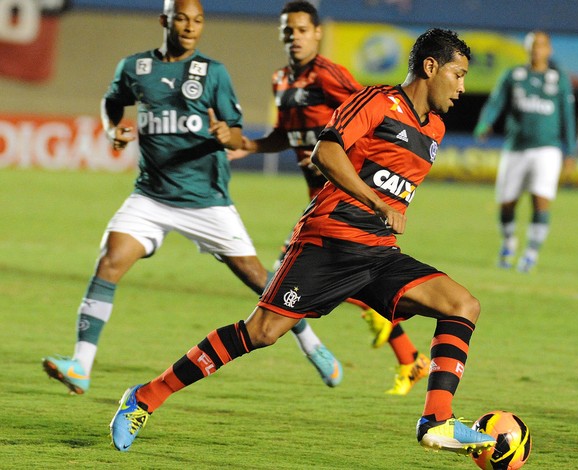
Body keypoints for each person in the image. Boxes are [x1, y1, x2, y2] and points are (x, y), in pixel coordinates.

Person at [110, 27, 497, 456]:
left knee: (463, 305)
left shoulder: (437, 129)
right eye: (458, 74)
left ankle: (436, 420)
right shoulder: (376, 102)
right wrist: (374, 201)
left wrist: (382, 213)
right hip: (327, 242)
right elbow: (326, 153)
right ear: (430, 67)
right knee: (261, 333)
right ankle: (144, 397)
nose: (462, 87)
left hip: (378, 253)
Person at [41, 0, 341, 396]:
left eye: (197, 21)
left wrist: (226, 136)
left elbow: (236, 133)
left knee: (257, 278)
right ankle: (81, 364)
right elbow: (112, 102)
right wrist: (113, 128)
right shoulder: (135, 68)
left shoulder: (213, 73)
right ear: (165, 20)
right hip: (151, 196)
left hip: (206, 201)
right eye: (181, 19)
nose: (190, 27)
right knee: (110, 261)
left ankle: (312, 344)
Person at [228, 0, 429, 395]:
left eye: (302, 30)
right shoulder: (282, 81)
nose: (295, 37)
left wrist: (336, 150)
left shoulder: (329, 75)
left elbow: (376, 119)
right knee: (322, 282)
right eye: (288, 31)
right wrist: (247, 146)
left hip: (347, 201)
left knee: (289, 280)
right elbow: (283, 135)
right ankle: (407, 357)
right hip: (318, 202)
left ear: (317, 33)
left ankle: (323, 350)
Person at [474, 31, 577, 273]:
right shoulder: (514, 75)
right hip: (516, 148)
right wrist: (485, 122)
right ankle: (509, 242)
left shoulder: (559, 79)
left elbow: (567, 117)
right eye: (533, 45)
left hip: (547, 149)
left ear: (549, 49)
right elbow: (495, 102)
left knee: (540, 201)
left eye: (541, 45)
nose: (536, 49)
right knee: (506, 203)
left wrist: (570, 151)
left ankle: (531, 253)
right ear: (526, 48)